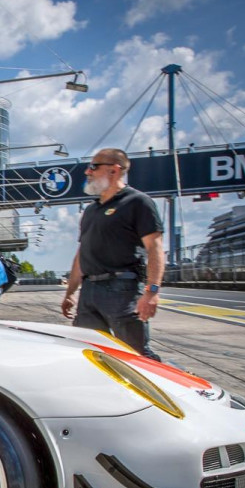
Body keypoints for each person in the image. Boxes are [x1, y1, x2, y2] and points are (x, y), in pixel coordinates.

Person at [61, 148, 165, 360]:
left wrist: (152, 292)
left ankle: (177, 388)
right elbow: (81, 256)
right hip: (90, 292)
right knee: (89, 353)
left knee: (135, 355)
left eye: (93, 167)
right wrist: (71, 292)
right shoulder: (91, 211)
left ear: (114, 170)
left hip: (122, 290)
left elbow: (155, 248)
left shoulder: (137, 202)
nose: (87, 172)